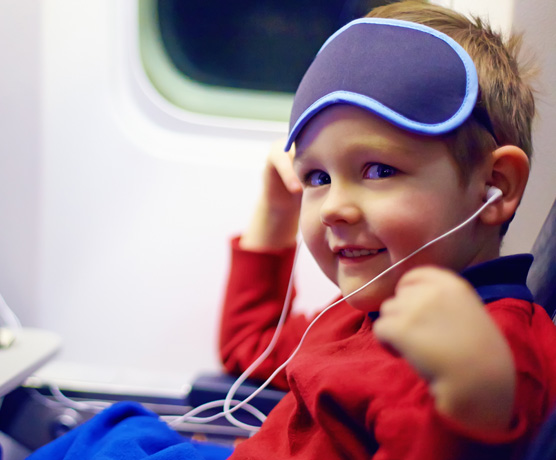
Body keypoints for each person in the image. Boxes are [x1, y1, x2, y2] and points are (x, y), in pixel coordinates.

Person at [220, 1, 556, 459]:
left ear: (493, 186)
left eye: (378, 170)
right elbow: (250, 349)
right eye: (318, 178)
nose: (333, 208)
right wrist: (277, 216)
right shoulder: (361, 312)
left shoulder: (488, 354)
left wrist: (473, 400)